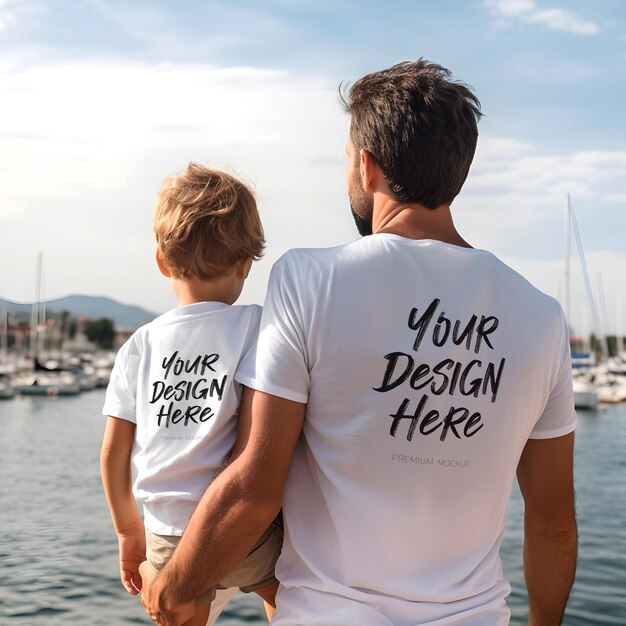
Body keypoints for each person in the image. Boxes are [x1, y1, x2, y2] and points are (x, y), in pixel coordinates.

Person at [141, 60, 577, 626]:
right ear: (457, 173)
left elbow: (253, 489)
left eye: (348, 160)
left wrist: (172, 586)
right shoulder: (541, 316)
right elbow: (552, 522)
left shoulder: (308, 280)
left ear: (367, 167)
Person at [100, 163, 282, 626]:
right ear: (246, 264)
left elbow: (114, 454)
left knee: (182, 613)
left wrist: (128, 532)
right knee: (288, 596)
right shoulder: (258, 326)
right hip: (240, 529)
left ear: (161, 262)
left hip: (166, 534)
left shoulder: (139, 345)